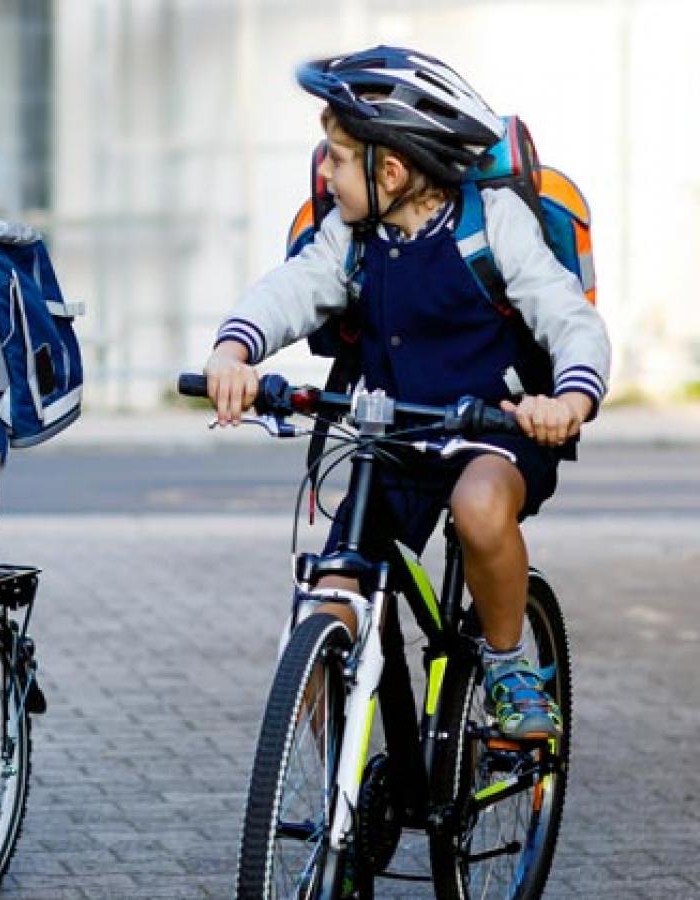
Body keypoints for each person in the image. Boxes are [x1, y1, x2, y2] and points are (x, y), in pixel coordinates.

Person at [204, 47, 610, 741]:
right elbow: (291, 290)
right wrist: (234, 349)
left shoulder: (493, 225)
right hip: (392, 438)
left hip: (500, 431)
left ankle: (509, 664)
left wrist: (566, 401)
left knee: (479, 509)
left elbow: (570, 319)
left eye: (334, 158)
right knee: (328, 597)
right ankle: (339, 779)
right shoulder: (351, 238)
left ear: (389, 171)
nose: (324, 175)